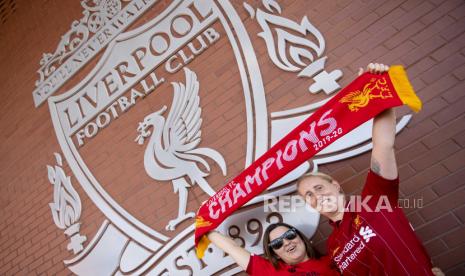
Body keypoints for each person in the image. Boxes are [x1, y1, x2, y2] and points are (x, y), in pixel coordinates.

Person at [297, 63, 436, 275]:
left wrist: (376, 91)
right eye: (308, 195)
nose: (316, 195)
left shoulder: (374, 200)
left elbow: (383, 144)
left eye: (318, 187)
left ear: (335, 185)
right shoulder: (333, 246)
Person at [207, 222, 340, 275]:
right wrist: (206, 227)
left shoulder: (332, 259)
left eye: (290, 235)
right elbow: (232, 248)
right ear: (275, 254)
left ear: (300, 237)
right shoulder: (271, 272)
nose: (287, 242)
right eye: (277, 243)